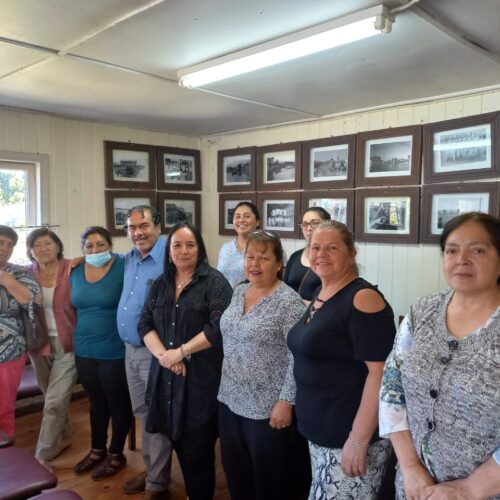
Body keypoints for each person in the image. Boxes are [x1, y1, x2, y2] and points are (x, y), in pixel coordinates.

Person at [379, 212, 500, 500]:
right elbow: (391, 388)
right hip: (414, 487)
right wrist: (409, 468)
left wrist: (470, 489)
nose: (462, 259)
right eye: (452, 250)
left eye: (478, 249)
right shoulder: (422, 312)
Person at [287, 220, 396, 499]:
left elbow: (381, 374)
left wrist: (358, 441)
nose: (321, 254)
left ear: (351, 254)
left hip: (350, 436)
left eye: (332, 248)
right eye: (315, 248)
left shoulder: (363, 298)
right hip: (320, 430)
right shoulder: (320, 291)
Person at [139, 222, 232, 500]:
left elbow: (219, 328)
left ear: (200, 249)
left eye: (190, 245)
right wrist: (166, 357)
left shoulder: (215, 283)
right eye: (177, 245)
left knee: (198, 454)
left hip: (200, 381)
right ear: (169, 251)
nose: (183, 251)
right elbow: (144, 324)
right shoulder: (161, 284)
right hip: (166, 379)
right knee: (177, 442)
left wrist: (182, 352)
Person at [218, 230, 306, 500]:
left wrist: (286, 401)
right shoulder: (240, 291)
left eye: (263, 258)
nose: (254, 264)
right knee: (236, 472)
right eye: (250, 257)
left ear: (279, 263)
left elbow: (298, 356)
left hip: (267, 407)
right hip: (230, 398)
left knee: (269, 480)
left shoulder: (288, 302)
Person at [118, 205, 172, 499]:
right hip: (129, 348)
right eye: (132, 227)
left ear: (158, 227)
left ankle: (157, 483)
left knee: (157, 416)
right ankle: (154, 472)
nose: (138, 232)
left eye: (144, 226)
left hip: (156, 351)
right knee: (143, 413)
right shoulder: (129, 259)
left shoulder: (171, 256)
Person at [71, 226, 132, 480]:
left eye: (100, 245)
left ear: (111, 246)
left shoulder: (123, 265)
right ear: (83, 249)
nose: (95, 250)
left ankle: (117, 453)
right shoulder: (74, 270)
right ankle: (97, 449)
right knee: (96, 401)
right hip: (84, 347)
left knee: (117, 402)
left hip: (114, 347)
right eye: (89, 246)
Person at [26, 228, 77, 470]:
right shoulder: (26, 274)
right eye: (37, 245)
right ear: (30, 251)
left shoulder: (73, 268)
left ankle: (41, 456)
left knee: (55, 400)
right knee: (51, 397)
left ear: (58, 246)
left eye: (48, 243)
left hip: (68, 343)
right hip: (38, 344)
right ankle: (64, 436)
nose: (43, 248)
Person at [0, 225, 41, 439]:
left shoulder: (18, 272)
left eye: (10, 245)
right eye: (1, 242)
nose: (5, 248)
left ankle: (4, 455)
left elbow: (34, 301)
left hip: (9, 350)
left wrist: (7, 281)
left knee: (3, 408)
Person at [284, 206, 331, 302]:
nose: (309, 228)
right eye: (305, 224)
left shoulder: (333, 258)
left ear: (327, 225)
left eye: (315, 223)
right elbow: (284, 287)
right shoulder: (295, 256)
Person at [217, 201, 260, 288]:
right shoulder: (226, 247)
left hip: (253, 299)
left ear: (257, 221)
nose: (241, 220)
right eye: (237, 216)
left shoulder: (266, 248)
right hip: (224, 300)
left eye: (247, 216)